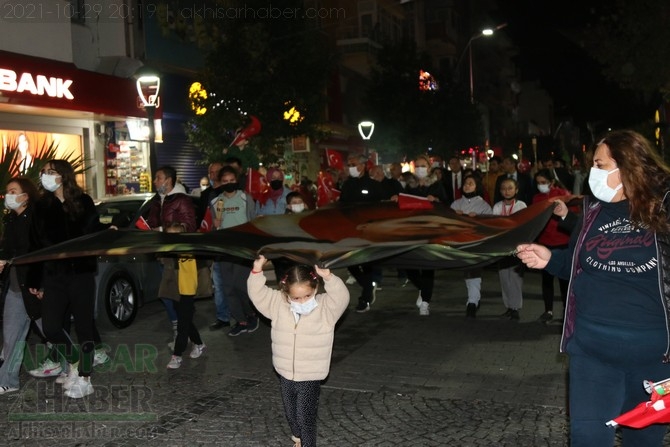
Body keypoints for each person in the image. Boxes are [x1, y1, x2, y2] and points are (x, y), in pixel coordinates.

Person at [515, 129, 670, 447]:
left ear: (626, 166)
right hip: (592, 351)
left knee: (644, 443)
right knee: (587, 438)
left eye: (600, 165)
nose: (592, 174)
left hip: (654, 357)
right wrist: (549, 260)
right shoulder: (591, 210)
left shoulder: (664, 208)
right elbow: (575, 262)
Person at [247, 254, 350, 447]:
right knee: (291, 413)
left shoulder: (326, 308)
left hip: (310, 375)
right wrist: (257, 270)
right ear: (286, 293)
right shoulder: (278, 304)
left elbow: (342, 297)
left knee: (306, 417)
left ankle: (307, 443)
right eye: (296, 297)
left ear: (315, 289)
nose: (302, 301)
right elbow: (257, 294)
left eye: (307, 296)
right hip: (285, 371)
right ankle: (298, 438)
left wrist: (329, 277)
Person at [28, 160, 108, 398]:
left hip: (81, 274)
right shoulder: (41, 206)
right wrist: (35, 279)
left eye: (50, 172)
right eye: (43, 173)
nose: (45, 176)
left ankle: (85, 377)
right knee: (51, 327)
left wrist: (111, 231)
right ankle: (75, 362)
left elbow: (94, 231)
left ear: (63, 176)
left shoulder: (82, 202)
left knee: (84, 327)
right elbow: (35, 245)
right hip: (54, 275)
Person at [0, 177, 43, 394]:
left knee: (52, 333)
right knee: (11, 337)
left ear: (25, 196)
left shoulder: (36, 219)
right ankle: (8, 380)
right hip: (16, 286)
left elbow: (40, 252)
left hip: (34, 285)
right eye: (7, 191)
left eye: (13, 191)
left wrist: (42, 285)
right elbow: (8, 250)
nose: (8, 195)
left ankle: (76, 369)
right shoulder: (10, 220)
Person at [144, 165, 197, 340]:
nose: (154, 181)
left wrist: (164, 229)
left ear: (168, 180)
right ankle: (182, 330)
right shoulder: (157, 200)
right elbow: (151, 222)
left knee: (177, 296)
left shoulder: (181, 200)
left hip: (178, 256)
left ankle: (184, 333)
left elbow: (190, 226)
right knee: (169, 295)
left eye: (158, 177)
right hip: (162, 255)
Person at [211, 165, 259, 336]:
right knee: (228, 287)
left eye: (231, 181)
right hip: (225, 250)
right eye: (225, 181)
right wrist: (215, 226)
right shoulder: (217, 202)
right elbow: (214, 228)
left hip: (243, 249)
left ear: (237, 181)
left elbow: (254, 223)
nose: (228, 183)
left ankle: (251, 314)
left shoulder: (246, 198)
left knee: (241, 285)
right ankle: (240, 320)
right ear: (220, 183)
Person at [339, 154, 384, 313]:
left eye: (354, 163)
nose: (350, 166)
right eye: (349, 164)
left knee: (367, 264)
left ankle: (365, 298)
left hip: (369, 231)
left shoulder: (373, 185)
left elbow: (381, 207)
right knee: (350, 263)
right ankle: (368, 286)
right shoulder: (346, 185)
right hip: (350, 231)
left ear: (363, 165)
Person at [405, 154, 448, 316]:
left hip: (431, 229)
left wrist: (435, 199)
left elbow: (445, 203)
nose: (420, 168)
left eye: (423, 166)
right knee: (409, 265)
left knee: (427, 266)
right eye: (418, 165)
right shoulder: (410, 185)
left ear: (429, 168)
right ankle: (423, 290)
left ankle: (425, 302)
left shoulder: (437, 184)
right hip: (413, 229)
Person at [160, 223, 206, 369]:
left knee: (182, 326)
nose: (172, 239)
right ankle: (199, 344)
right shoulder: (169, 253)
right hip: (176, 291)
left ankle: (177, 355)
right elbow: (159, 256)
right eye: (170, 236)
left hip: (189, 291)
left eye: (176, 235)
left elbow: (207, 257)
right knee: (185, 320)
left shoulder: (193, 249)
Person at [450, 174, 493, 318]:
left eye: (470, 183)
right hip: (460, 243)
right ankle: (474, 298)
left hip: (477, 243)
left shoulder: (484, 205)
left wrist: (479, 220)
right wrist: (455, 216)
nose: (467, 186)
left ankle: (472, 302)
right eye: (465, 183)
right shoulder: (456, 204)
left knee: (474, 270)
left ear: (477, 186)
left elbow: (490, 225)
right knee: (467, 272)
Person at [532, 169, 571, 322]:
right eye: (538, 183)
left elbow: (571, 214)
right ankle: (548, 311)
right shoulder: (537, 198)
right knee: (547, 280)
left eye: (543, 182)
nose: (541, 186)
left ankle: (566, 311)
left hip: (562, 241)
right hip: (546, 242)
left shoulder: (563, 194)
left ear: (551, 182)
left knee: (564, 280)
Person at [492, 177, 527, 320]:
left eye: (510, 188)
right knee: (504, 278)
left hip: (516, 247)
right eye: (504, 188)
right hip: (501, 247)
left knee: (515, 278)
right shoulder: (497, 207)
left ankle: (516, 308)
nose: (507, 191)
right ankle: (508, 307)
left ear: (516, 190)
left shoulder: (521, 206)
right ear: (500, 191)